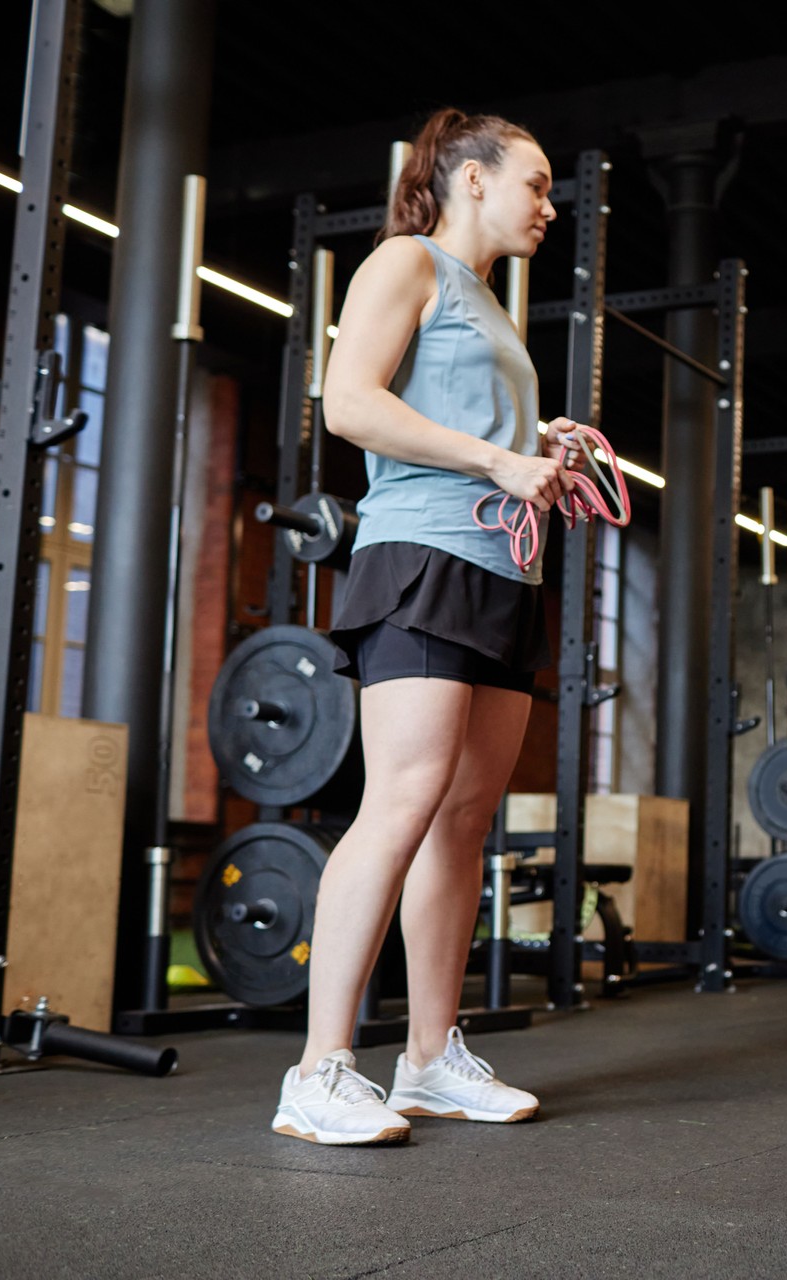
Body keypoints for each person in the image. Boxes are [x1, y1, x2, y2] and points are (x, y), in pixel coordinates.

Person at [271, 108, 578, 1145]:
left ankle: (432, 1057)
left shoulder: (490, 305)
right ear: (471, 178)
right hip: (419, 559)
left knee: (462, 816)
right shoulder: (407, 263)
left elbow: (449, 415)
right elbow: (350, 402)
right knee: (400, 800)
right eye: (535, 183)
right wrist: (500, 460)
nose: (549, 204)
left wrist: (535, 438)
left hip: (501, 570)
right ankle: (317, 1070)